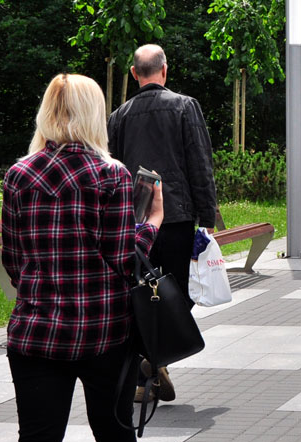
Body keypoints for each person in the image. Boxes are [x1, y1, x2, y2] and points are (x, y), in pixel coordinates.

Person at [1, 73, 163, 442]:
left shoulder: (19, 175)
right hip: (104, 334)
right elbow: (123, 259)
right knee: (115, 438)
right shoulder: (111, 175)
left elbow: (14, 263)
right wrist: (150, 225)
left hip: (36, 334)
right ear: (95, 115)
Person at [108, 44, 218, 403]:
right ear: (165, 71)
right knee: (175, 295)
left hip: (135, 224)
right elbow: (199, 163)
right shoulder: (185, 107)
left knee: (141, 295)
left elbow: (114, 169)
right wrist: (206, 215)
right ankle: (152, 363)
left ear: (134, 74)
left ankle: (149, 367)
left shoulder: (118, 116)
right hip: (177, 217)